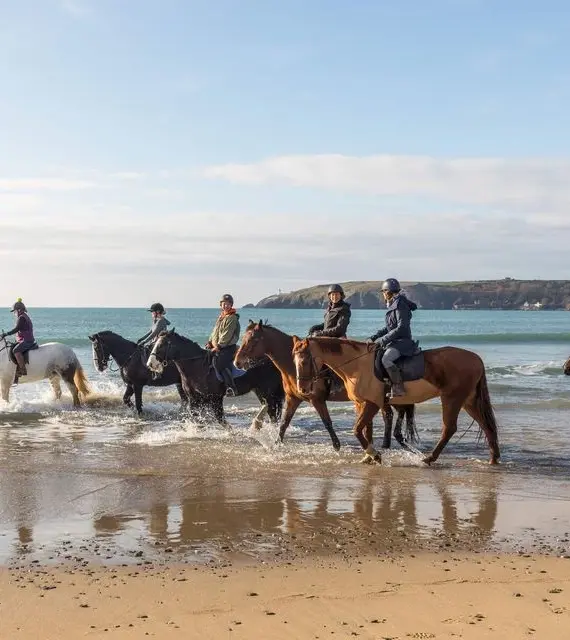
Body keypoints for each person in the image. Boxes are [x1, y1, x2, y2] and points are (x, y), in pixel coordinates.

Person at [367, 278, 418, 398]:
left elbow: (401, 328)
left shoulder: (400, 305)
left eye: (384, 292)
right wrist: (374, 337)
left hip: (402, 342)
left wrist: (383, 340)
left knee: (386, 359)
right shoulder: (394, 304)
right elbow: (389, 327)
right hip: (395, 341)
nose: (383, 294)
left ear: (388, 292)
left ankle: (399, 387)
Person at [206, 294, 240, 396]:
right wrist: (209, 342)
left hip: (227, 347)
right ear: (221, 305)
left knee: (218, 362)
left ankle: (231, 387)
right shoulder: (221, 317)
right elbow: (214, 332)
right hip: (218, 347)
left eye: (228, 304)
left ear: (231, 305)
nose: (226, 306)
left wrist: (219, 346)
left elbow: (227, 334)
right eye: (224, 304)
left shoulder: (232, 318)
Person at [0, 299, 37, 377]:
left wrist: (6, 334)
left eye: (15, 311)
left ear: (19, 310)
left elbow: (17, 329)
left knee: (16, 350)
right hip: (24, 339)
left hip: (27, 340)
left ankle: (22, 370)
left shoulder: (21, 318)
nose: (14, 313)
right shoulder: (24, 316)